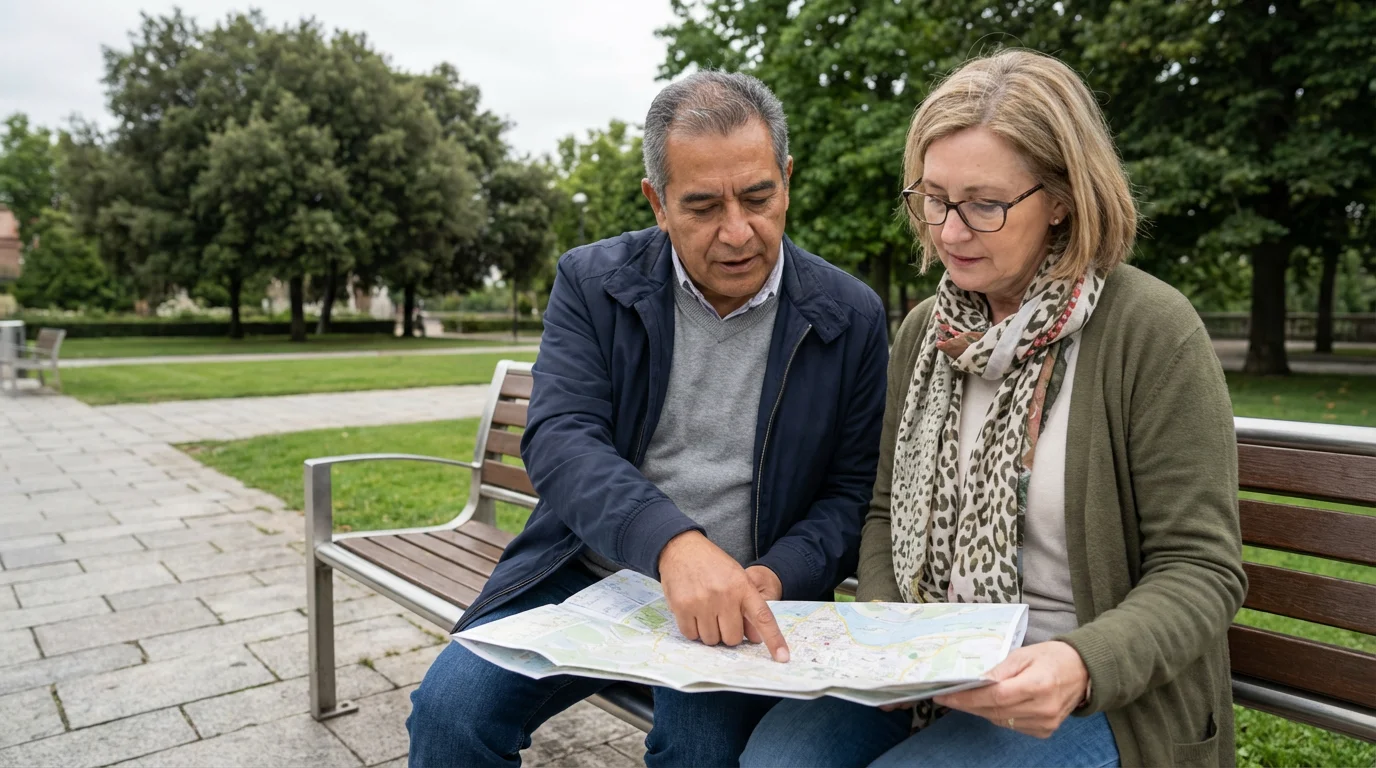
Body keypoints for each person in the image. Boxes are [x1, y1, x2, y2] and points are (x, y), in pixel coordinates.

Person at [741, 49, 1247, 768]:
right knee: (777, 760)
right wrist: (891, 628)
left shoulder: (1150, 330)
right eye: (935, 198)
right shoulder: (926, 332)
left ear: (1064, 198)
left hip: (1102, 695)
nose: (949, 231)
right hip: (932, 673)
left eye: (985, 204)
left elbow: (1202, 570)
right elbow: (883, 511)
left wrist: (1078, 664)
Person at [406, 70, 890, 767]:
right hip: (588, 570)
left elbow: (851, 494)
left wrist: (775, 575)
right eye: (702, 207)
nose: (738, 232)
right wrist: (674, 546)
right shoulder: (593, 282)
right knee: (450, 715)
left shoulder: (850, 315)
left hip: (743, 599)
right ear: (656, 202)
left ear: (787, 179)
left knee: (704, 749)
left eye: (759, 197)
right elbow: (561, 437)